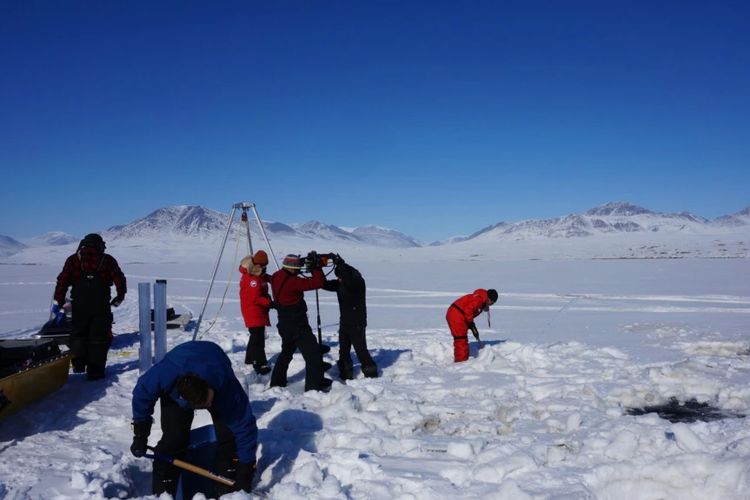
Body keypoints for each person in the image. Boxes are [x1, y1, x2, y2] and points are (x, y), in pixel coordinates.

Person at [130, 340, 258, 497]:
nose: (209, 405)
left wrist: (247, 466)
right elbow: (142, 393)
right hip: (179, 368)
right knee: (175, 438)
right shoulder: (165, 375)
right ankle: (164, 483)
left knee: (228, 436)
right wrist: (141, 433)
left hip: (213, 358)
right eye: (203, 405)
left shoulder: (225, 386)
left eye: (209, 401)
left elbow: (244, 426)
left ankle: (229, 472)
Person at [53, 233, 126, 380]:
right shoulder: (107, 260)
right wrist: (119, 297)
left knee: (78, 335)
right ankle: (96, 372)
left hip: (79, 306)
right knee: (98, 339)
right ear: (100, 245)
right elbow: (120, 280)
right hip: (101, 306)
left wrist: (59, 301)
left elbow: (62, 281)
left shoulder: (73, 260)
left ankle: (79, 366)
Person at [269, 252, 332, 392]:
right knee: (313, 355)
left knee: (286, 353)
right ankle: (313, 388)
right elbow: (318, 283)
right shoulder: (293, 282)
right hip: (297, 325)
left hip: (284, 323)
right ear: (291, 268)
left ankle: (277, 382)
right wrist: (316, 268)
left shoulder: (276, 276)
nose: (299, 270)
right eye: (297, 268)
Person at [323, 255, 378, 379]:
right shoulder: (341, 283)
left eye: (340, 277)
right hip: (345, 321)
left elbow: (348, 281)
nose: (338, 279)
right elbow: (323, 284)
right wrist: (317, 269)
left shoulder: (357, 282)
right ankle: (345, 373)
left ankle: (371, 375)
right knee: (343, 350)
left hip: (357, 322)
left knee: (361, 350)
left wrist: (340, 264)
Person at [239, 250, 273, 375]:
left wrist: (272, 279)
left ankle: (249, 359)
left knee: (255, 336)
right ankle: (259, 364)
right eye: (264, 266)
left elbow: (264, 278)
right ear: (259, 265)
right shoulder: (253, 279)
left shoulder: (256, 273)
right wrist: (270, 303)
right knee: (258, 339)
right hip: (253, 312)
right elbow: (256, 298)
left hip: (254, 311)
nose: (265, 269)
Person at [446, 288, 498, 362]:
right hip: (457, 315)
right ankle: (461, 363)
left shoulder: (480, 298)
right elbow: (468, 309)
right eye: (492, 303)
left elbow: (469, 311)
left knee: (460, 338)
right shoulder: (479, 299)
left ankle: (460, 359)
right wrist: (470, 322)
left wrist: (471, 325)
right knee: (461, 339)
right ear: (489, 298)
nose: (491, 305)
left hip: (456, 314)